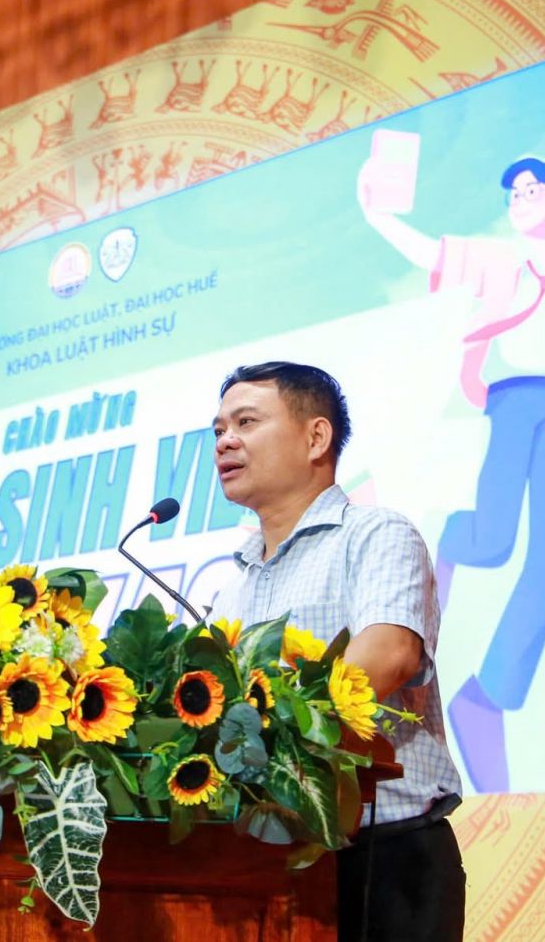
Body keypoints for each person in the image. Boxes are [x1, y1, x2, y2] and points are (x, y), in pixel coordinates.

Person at [212, 361, 464, 942]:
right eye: (219, 430)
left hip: (383, 858)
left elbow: (390, 653)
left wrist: (266, 730)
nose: (225, 441)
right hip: (261, 864)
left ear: (316, 437)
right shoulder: (234, 582)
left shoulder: (374, 535)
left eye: (245, 422)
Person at [359, 155, 545, 794]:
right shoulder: (497, 257)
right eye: (513, 192)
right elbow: (429, 252)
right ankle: (445, 533)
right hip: (510, 397)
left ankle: (487, 696)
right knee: (494, 540)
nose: (520, 200)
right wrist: (377, 214)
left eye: (530, 190)